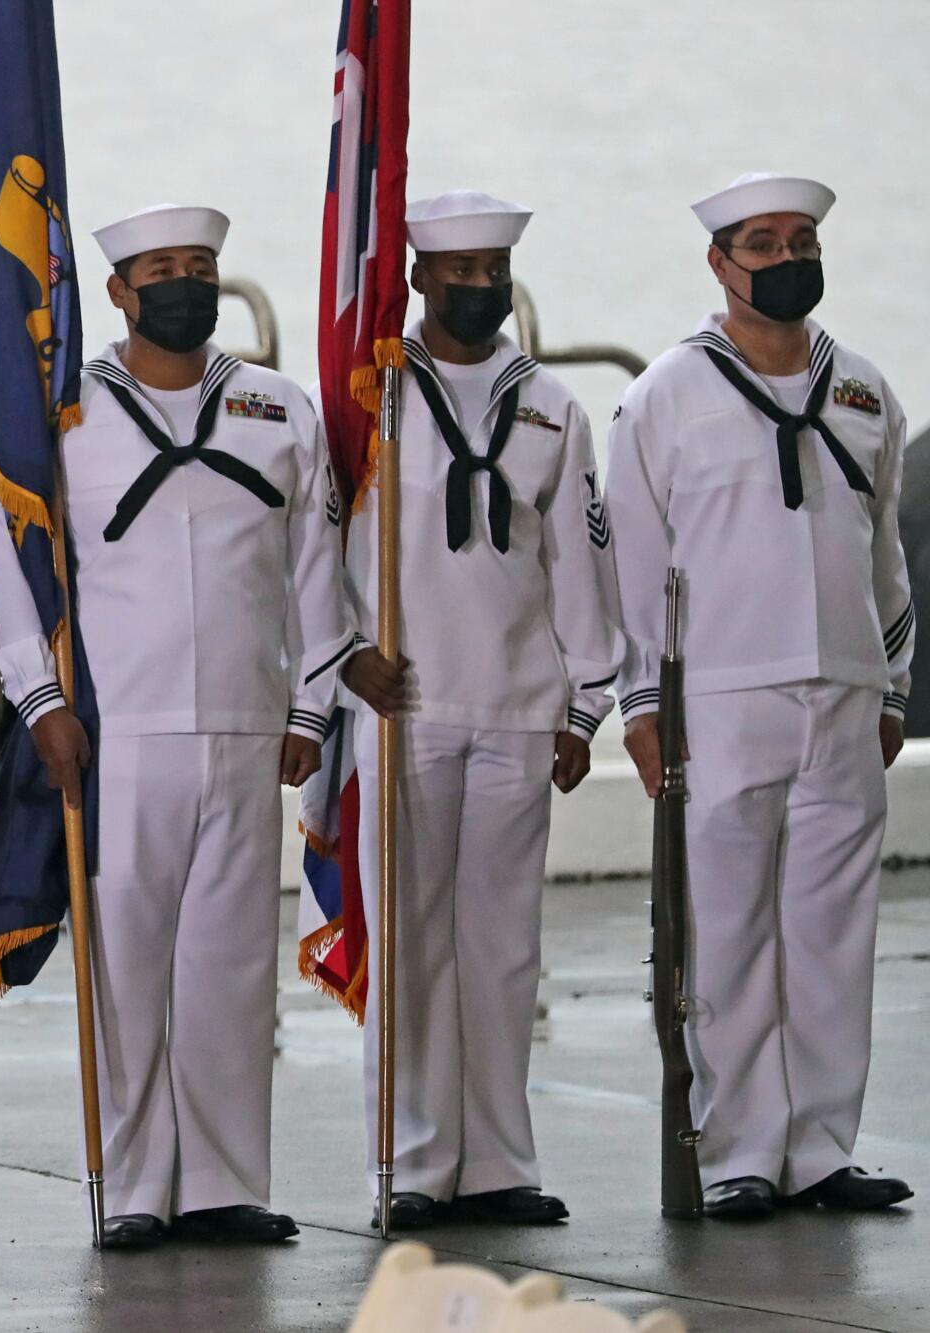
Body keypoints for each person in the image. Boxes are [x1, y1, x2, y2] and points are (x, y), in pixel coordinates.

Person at [0, 204, 379, 1250]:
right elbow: (13, 569)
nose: (184, 286)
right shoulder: (61, 415)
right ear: (114, 292)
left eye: (199, 268)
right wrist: (40, 703)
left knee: (228, 966)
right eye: (159, 270)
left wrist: (310, 704)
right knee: (127, 966)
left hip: (249, 728)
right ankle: (129, 1185)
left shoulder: (275, 406)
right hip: (121, 732)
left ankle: (220, 1183)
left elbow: (316, 569)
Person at [608, 173, 913, 1220]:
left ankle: (819, 1148)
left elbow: (884, 559)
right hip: (720, 699)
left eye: (801, 241)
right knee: (726, 932)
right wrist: (641, 704)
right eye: (763, 244)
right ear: (719, 264)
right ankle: (737, 1150)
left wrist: (890, 683)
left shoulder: (864, 387)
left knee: (831, 931)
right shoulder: (663, 395)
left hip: (842, 691)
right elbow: (636, 568)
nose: (786, 260)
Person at [340, 192, 622, 1231]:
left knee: (502, 944)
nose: (474, 287)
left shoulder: (548, 403)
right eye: (454, 270)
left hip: (515, 706)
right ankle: (410, 1161)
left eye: (489, 270)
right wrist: (338, 662)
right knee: (411, 937)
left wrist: (586, 699)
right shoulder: (371, 394)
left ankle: (497, 1158)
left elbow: (579, 560)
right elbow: (326, 544)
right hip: (402, 702)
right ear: (416, 278)